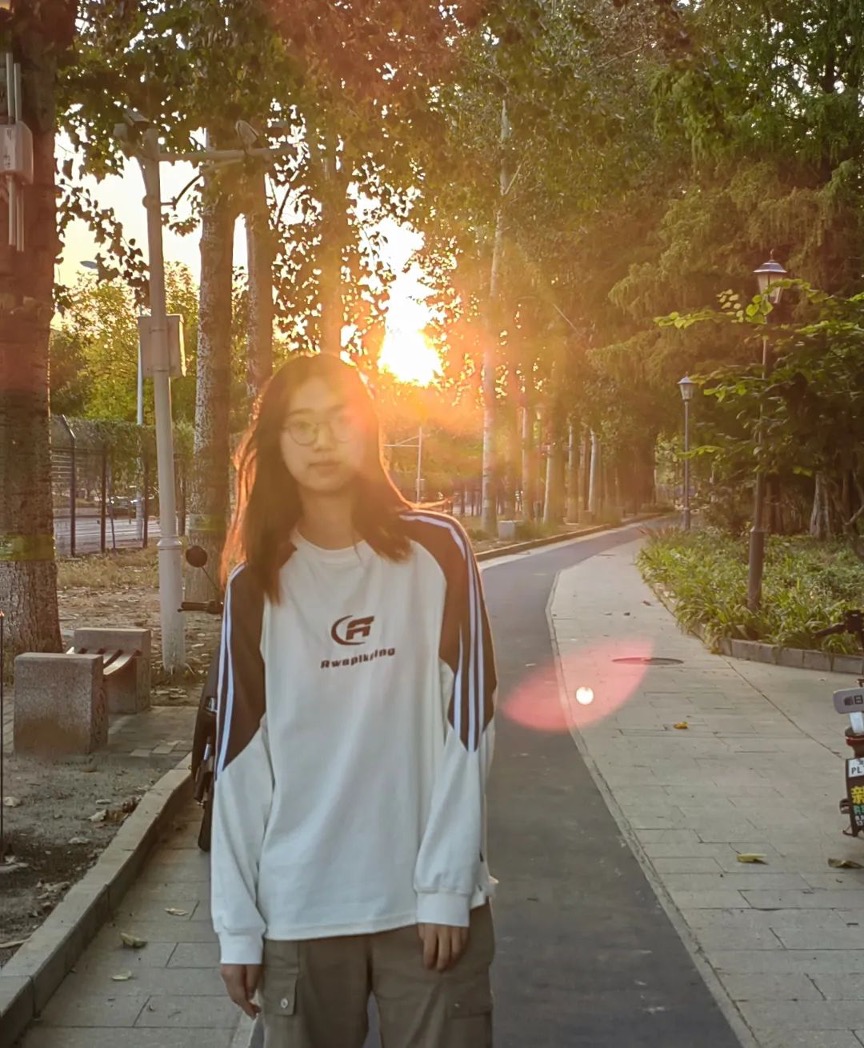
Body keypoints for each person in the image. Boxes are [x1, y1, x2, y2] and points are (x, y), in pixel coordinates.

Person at [211, 352, 498, 1048]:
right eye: (301, 426)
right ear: (277, 443)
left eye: (338, 420)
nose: (321, 441)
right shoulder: (254, 586)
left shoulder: (438, 551)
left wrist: (445, 883)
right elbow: (239, 761)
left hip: (425, 911)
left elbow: (471, 722)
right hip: (300, 910)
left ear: (367, 429)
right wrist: (238, 925)